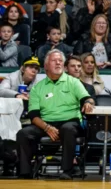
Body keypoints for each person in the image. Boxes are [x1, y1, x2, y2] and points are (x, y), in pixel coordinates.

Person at [16, 50, 94, 180]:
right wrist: (47, 127)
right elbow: (34, 115)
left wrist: (88, 103)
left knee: (68, 129)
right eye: (54, 60)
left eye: (60, 61)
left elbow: (87, 98)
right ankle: (25, 172)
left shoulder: (73, 82)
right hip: (45, 123)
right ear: (46, 66)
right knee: (23, 133)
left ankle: (67, 171)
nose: (58, 63)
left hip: (70, 121)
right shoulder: (37, 88)